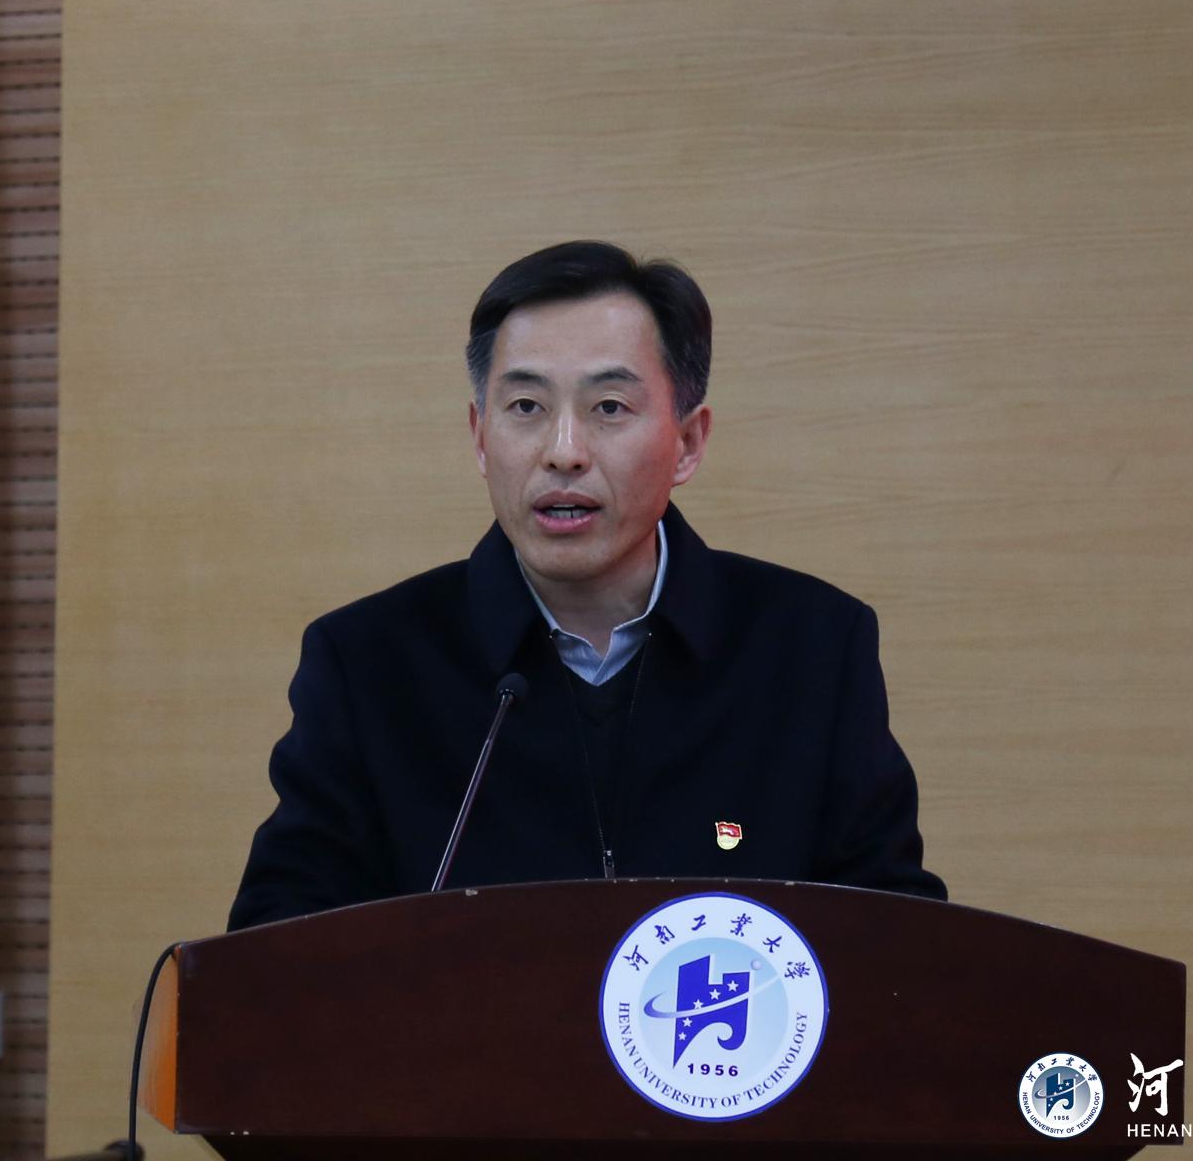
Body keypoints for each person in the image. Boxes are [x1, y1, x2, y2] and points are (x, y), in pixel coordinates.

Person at [228, 241, 943, 931]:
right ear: (480, 436)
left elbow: (900, 942)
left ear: (688, 442)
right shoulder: (369, 665)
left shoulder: (811, 648)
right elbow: (277, 949)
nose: (563, 453)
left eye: (608, 408)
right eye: (526, 407)